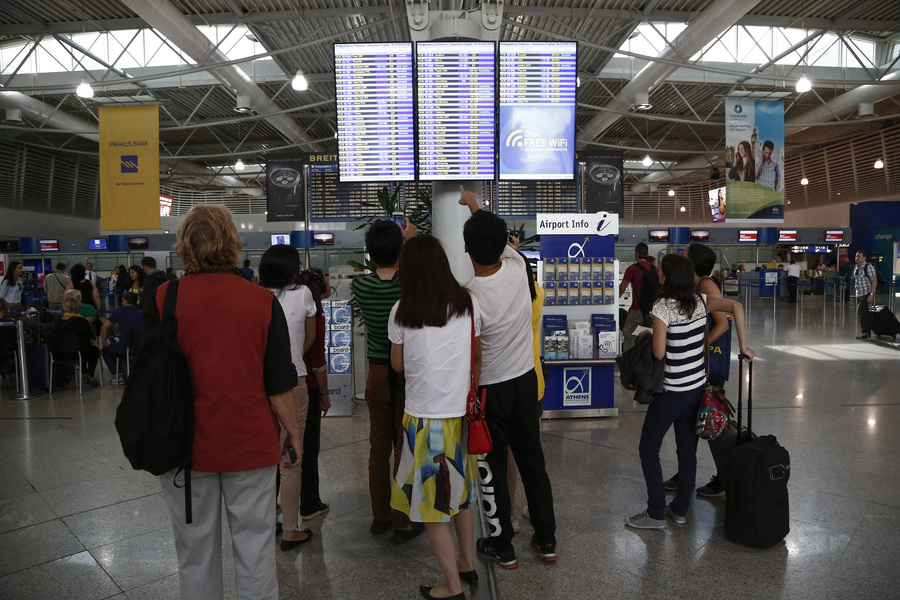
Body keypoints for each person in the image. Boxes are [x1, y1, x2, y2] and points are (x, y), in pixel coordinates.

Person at [143, 204, 301, 600]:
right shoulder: (261, 301)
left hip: (184, 447)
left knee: (194, 553)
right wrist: (293, 433)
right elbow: (279, 382)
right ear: (232, 243)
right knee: (256, 549)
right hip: (248, 443)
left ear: (183, 246)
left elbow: (150, 369)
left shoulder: (164, 296)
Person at [459, 186, 556, 569]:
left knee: (492, 466)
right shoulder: (518, 269)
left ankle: (502, 546)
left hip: (491, 391)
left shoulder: (469, 295)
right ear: (505, 245)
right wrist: (475, 205)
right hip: (526, 383)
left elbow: (475, 354)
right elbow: (495, 236)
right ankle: (547, 540)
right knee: (533, 463)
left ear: (466, 251)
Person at [626, 253, 755, 530]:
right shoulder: (700, 302)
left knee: (649, 449)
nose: (658, 274)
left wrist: (648, 336)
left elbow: (659, 351)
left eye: (661, 272)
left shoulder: (662, 307)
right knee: (687, 452)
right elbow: (736, 307)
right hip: (696, 389)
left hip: (670, 392)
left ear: (667, 277)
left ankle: (656, 513)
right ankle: (680, 509)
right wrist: (744, 348)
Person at [389, 234, 480, 600]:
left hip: (424, 421)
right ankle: (467, 564)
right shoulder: (466, 302)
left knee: (431, 510)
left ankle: (452, 588)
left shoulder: (402, 310)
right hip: (459, 417)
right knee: (458, 497)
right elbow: (476, 353)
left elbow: (396, 365)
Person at [351, 218, 423, 543]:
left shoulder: (361, 286)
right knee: (404, 447)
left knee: (377, 446)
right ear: (399, 248)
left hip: (376, 374)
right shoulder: (407, 284)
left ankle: (379, 516)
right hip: (405, 372)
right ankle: (403, 520)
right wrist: (411, 241)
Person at [258, 243, 317, 551]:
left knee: (264, 457)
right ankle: (291, 530)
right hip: (293, 382)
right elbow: (310, 338)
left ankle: (266, 522)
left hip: (259, 385)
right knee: (291, 457)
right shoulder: (304, 294)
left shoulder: (255, 297)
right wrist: (292, 356)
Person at [663, 244, 731, 498]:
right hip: (700, 366)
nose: (681, 254)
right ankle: (686, 474)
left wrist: (699, 348)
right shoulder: (693, 285)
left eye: (684, 253)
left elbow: (723, 323)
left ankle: (725, 477)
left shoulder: (706, 285)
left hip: (709, 367)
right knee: (693, 423)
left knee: (711, 424)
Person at [298, 268, 331, 521]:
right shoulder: (316, 318)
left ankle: (276, 501)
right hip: (308, 387)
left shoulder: (286, 307)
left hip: (286, 384)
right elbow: (318, 362)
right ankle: (309, 503)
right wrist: (324, 393)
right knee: (309, 447)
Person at [54, 292, 101, 387]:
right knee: (94, 351)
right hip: (78, 352)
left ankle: (85, 372)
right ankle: (88, 374)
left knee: (82, 349)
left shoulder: (58, 321)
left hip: (59, 354)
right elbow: (90, 336)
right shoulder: (82, 321)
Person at [618, 242, 658, 352]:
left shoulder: (632, 269)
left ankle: (629, 364)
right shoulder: (655, 269)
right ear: (648, 253)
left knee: (629, 338)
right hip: (652, 311)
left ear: (636, 254)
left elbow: (622, 289)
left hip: (636, 310)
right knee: (650, 338)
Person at [100, 291, 141, 384]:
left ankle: (118, 375)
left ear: (124, 301)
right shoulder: (141, 312)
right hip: (141, 348)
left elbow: (104, 327)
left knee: (106, 350)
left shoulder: (120, 310)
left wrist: (104, 343)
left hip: (125, 347)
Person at [854, 250, 878, 340]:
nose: (857, 258)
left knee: (861, 311)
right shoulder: (856, 267)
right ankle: (867, 332)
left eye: (859, 256)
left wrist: (871, 294)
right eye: (856, 256)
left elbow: (874, 281)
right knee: (864, 313)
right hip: (859, 293)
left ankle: (865, 332)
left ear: (864, 258)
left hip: (866, 293)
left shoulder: (868, 267)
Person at [139, 257, 169, 329]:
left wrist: (139, 308)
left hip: (151, 313)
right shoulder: (164, 277)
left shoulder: (150, 280)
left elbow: (146, 297)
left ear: (145, 267)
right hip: (164, 311)